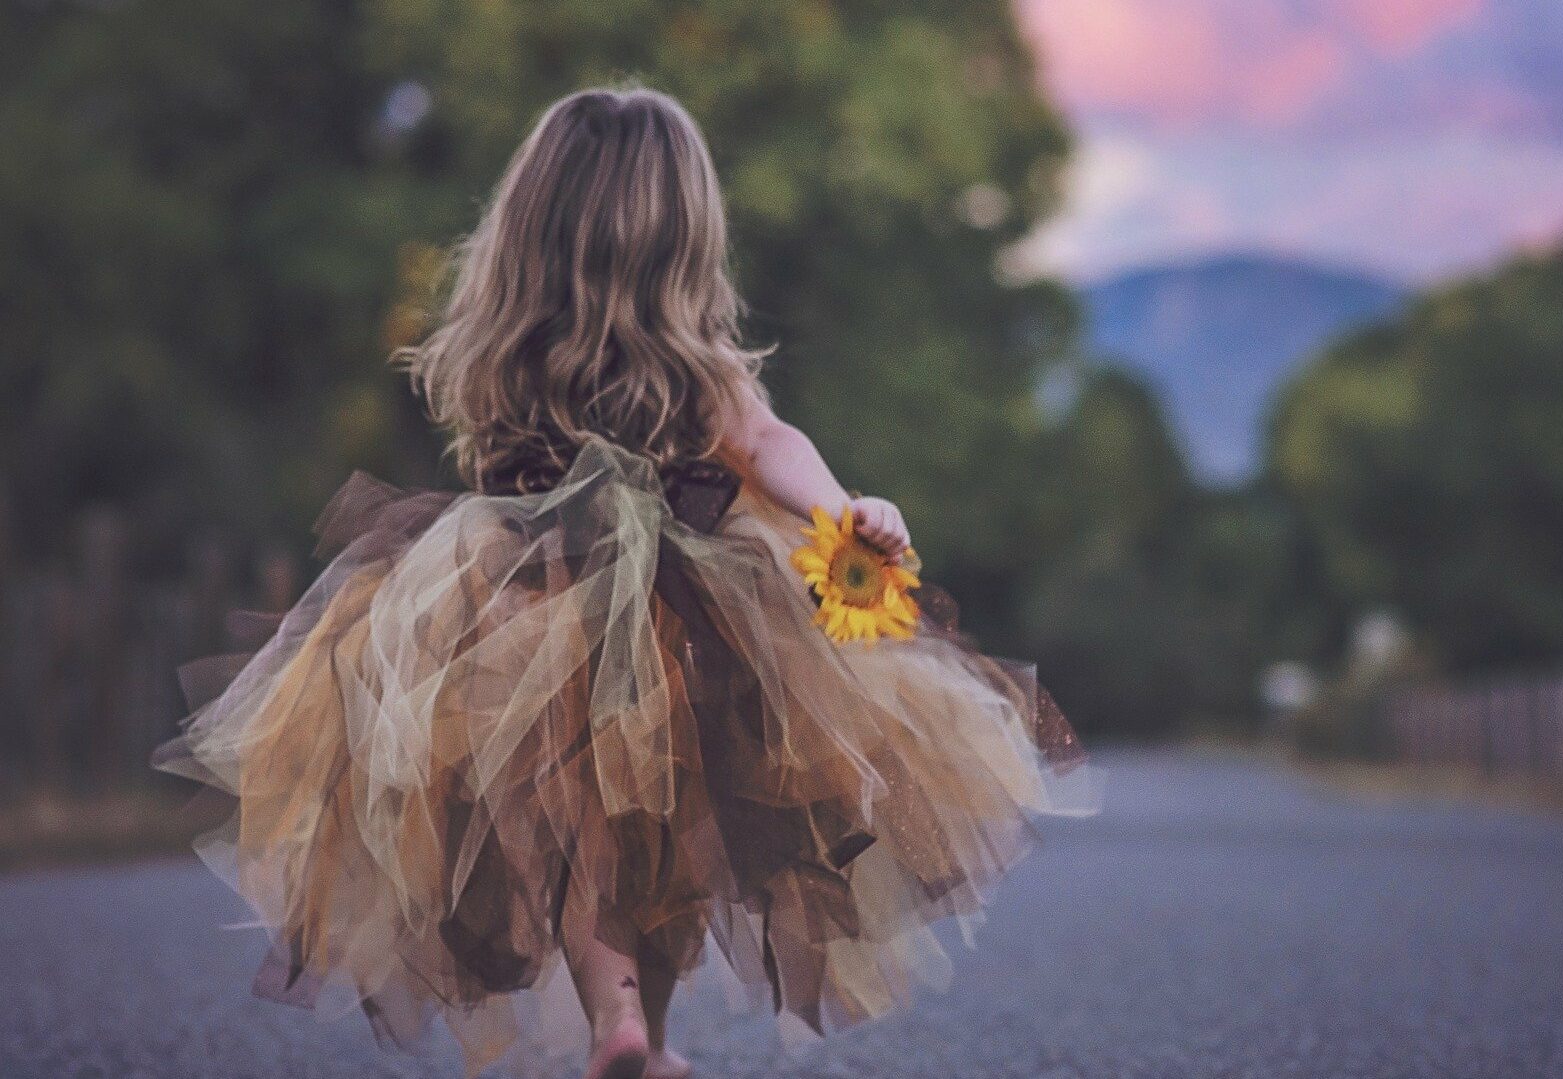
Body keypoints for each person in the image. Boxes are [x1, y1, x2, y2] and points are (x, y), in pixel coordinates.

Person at [155, 85, 1095, 1079]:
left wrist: (835, 514)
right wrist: (841, 510)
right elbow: (768, 440)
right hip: (683, 615)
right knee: (665, 838)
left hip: (509, 606)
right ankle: (632, 1023)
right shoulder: (696, 368)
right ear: (683, 239)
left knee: (570, 828)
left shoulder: (503, 354)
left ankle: (623, 1022)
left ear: (529, 228)